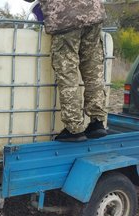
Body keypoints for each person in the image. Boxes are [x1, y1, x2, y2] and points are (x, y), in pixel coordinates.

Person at [24, 0, 108, 142]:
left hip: (65, 18)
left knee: (67, 73)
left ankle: (74, 129)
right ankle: (97, 122)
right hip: (93, 13)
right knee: (93, 71)